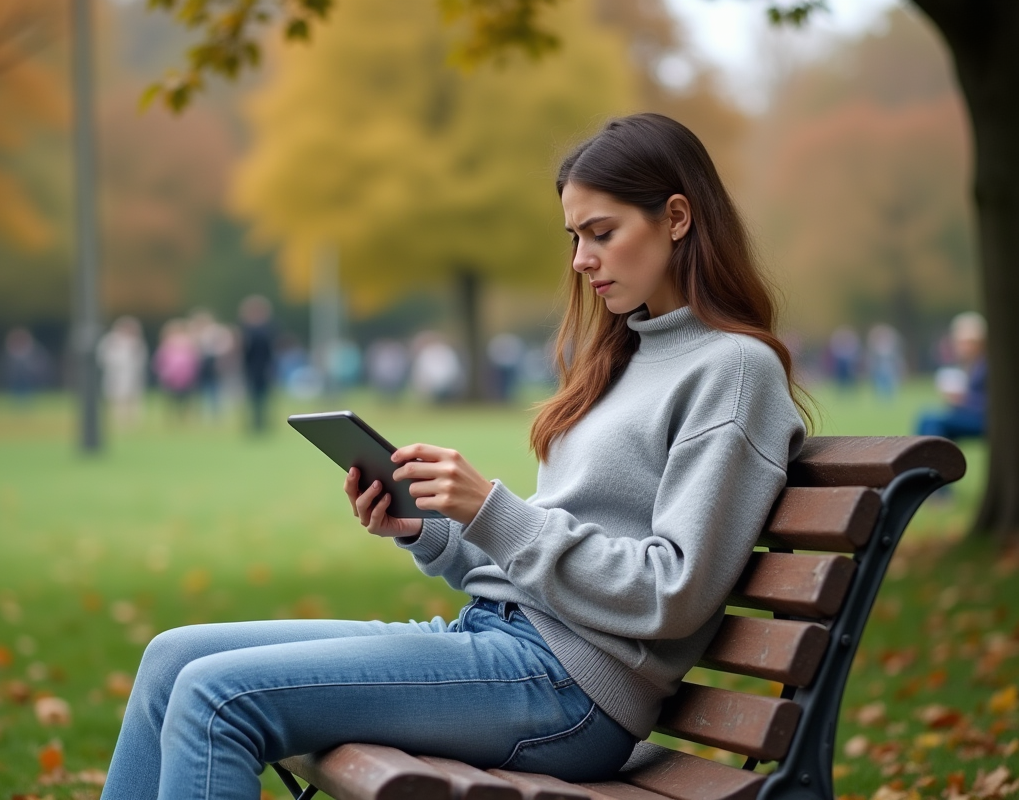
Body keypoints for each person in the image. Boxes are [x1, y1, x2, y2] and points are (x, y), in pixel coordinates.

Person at [99, 114, 809, 800]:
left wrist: (494, 511)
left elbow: (672, 592)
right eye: (574, 236)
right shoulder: (623, 356)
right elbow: (543, 566)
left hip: (571, 690)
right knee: (171, 659)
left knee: (218, 699)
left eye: (601, 233)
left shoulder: (733, 371)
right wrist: (431, 529)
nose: (581, 260)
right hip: (502, 645)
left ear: (677, 218)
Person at [916, 311, 987, 440]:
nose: (964, 347)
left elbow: (991, 403)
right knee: (932, 422)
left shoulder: (985, 365)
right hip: (974, 415)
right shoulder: (971, 364)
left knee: (930, 419)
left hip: (984, 419)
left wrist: (962, 400)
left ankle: (927, 459)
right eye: (960, 342)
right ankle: (935, 459)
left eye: (969, 342)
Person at [98, 316, 149, 426]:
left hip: (133, 374)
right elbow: (103, 357)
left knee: (134, 398)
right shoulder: (111, 341)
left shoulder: (136, 342)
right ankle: (119, 421)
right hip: (116, 374)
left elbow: (141, 358)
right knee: (117, 399)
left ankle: (133, 422)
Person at [238, 295, 276, 433]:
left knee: (264, 399)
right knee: (252, 399)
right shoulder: (245, 329)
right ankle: (253, 424)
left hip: (264, 368)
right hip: (250, 369)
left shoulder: (269, 328)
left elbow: (271, 350)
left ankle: (263, 424)